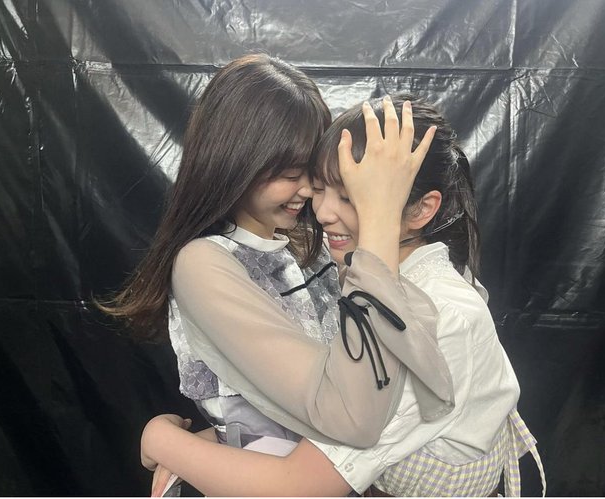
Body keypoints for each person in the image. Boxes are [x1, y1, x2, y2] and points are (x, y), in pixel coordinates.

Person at [141, 95, 546, 496]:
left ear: (422, 210)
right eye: (319, 187)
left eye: (351, 196)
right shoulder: (354, 271)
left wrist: (162, 439)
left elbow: (302, 481)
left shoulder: (436, 315)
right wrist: (215, 435)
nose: (321, 212)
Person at [103, 54, 453, 493]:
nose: (307, 190)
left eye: (311, 170)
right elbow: (349, 416)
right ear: (235, 161)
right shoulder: (205, 263)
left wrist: (173, 441)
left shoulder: (312, 244)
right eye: (289, 173)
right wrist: (380, 213)